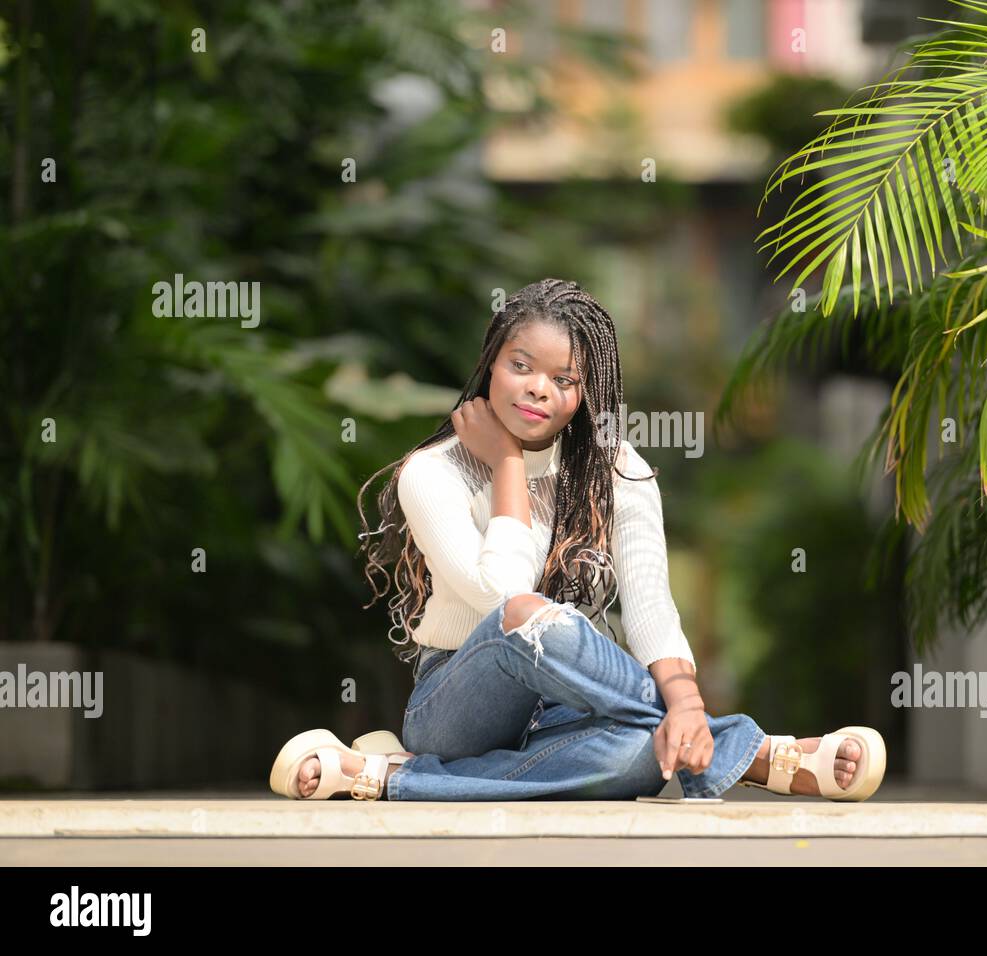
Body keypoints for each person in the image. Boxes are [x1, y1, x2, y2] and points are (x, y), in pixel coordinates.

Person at [269, 279, 885, 802]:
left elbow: (649, 607)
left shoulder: (620, 471)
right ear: (490, 364)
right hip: (459, 703)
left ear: (587, 393)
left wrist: (686, 703)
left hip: (572, 706)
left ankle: (386, 775)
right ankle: (754, 757)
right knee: (531, 616)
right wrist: (508, 465)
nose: (540, 388)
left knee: (641, 757)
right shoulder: (434, 473)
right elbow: (499, 599)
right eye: (521, 366)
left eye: (564, 378)